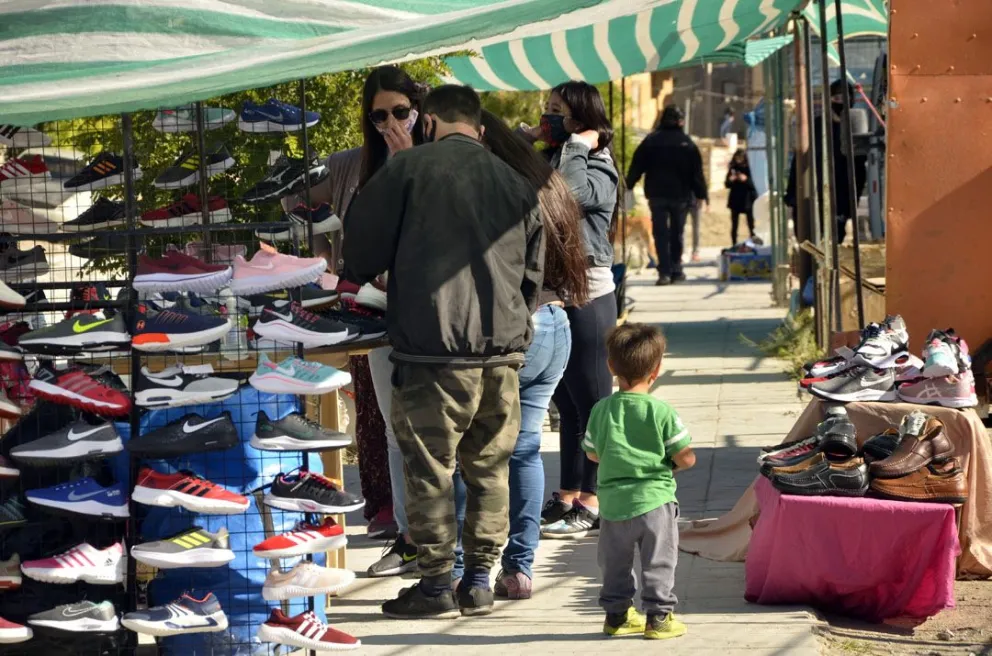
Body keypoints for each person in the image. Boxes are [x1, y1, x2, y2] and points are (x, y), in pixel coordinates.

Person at [343, 84, 546, 619]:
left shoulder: (408, 171)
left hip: (432, 353)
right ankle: (479, 579)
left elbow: (360, 254)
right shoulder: (517, 182)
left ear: (427, 123)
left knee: (430, 470)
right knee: (490, 470)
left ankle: (436, 584)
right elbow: (532, 277)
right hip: (501, 355)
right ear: (478, 129)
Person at [300, 65, 427, 540]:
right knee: (385, 421)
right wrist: (321, 261)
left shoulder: (431, 154)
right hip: (371, 307)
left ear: (418, 109)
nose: (391, 123)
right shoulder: (355, 163)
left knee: (433, 427)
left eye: (401, 111)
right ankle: (403, 527)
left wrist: (411, 160)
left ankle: (445, 539)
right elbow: (299, 205)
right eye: (379, 117)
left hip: (431, 310)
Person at [478, 110, 588, 598]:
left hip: (515, 328)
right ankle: (519, 568)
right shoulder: (546, 183)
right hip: (555, 324)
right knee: (524, 450)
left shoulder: (495, 193)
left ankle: (472, 568)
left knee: (476, 453)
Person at [519, 81, 621, 539]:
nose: (546, 115)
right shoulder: (552, 159)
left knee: (594, 403)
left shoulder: (597, 165)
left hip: (590, 295)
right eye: (546, 107)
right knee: (565, 403)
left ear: (579, 120)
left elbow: (571, 192)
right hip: (554, 293)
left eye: (556, 109)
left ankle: (595, 501)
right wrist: (520, 147)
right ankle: (567, 494)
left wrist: (579, 146)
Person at [583, 323, 696, 640]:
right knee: (659, 560)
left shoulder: (601, 410)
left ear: (610, 367)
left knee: (614, 563)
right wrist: (668, 464)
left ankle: (617, 616)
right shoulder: (661, 411)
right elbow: (686, 456)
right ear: (656, 370)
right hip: (655, 502)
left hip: (614, 504)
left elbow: (592, 454)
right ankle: (658, 618)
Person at [626, 105, 708, 287]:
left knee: (660, 233)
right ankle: (677, 269)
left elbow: (637, 165)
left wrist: (629, 184)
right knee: (677, 232)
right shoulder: (687, 143)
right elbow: (697, 173)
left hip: (657, 195)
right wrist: (701, 194)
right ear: (680, 121)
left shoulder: (651, 141)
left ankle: (664, 272)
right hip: (681, 196)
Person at [785, 79, 868, 245]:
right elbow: (800, 159)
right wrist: (793, 192)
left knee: (836, 237)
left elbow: (860, 168)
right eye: (837, 98)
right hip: (816, 191)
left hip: (842, 193)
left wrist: (853, 200)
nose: (841, 103)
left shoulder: (855, 126)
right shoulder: (817, 126)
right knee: (811, 239)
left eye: (845, 98)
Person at [725, 148, 757, 245]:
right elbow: (727, 184)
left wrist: (746, 179)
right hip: (735, 200)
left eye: (740, 158)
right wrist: (731, 179)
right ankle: (734, 243)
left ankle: (753, 242)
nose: (738, 160)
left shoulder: (750, 168)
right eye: (737, 158)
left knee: (751, 225)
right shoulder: (733, 168)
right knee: (734, 225)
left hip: (748, 200)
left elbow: (754, 185)